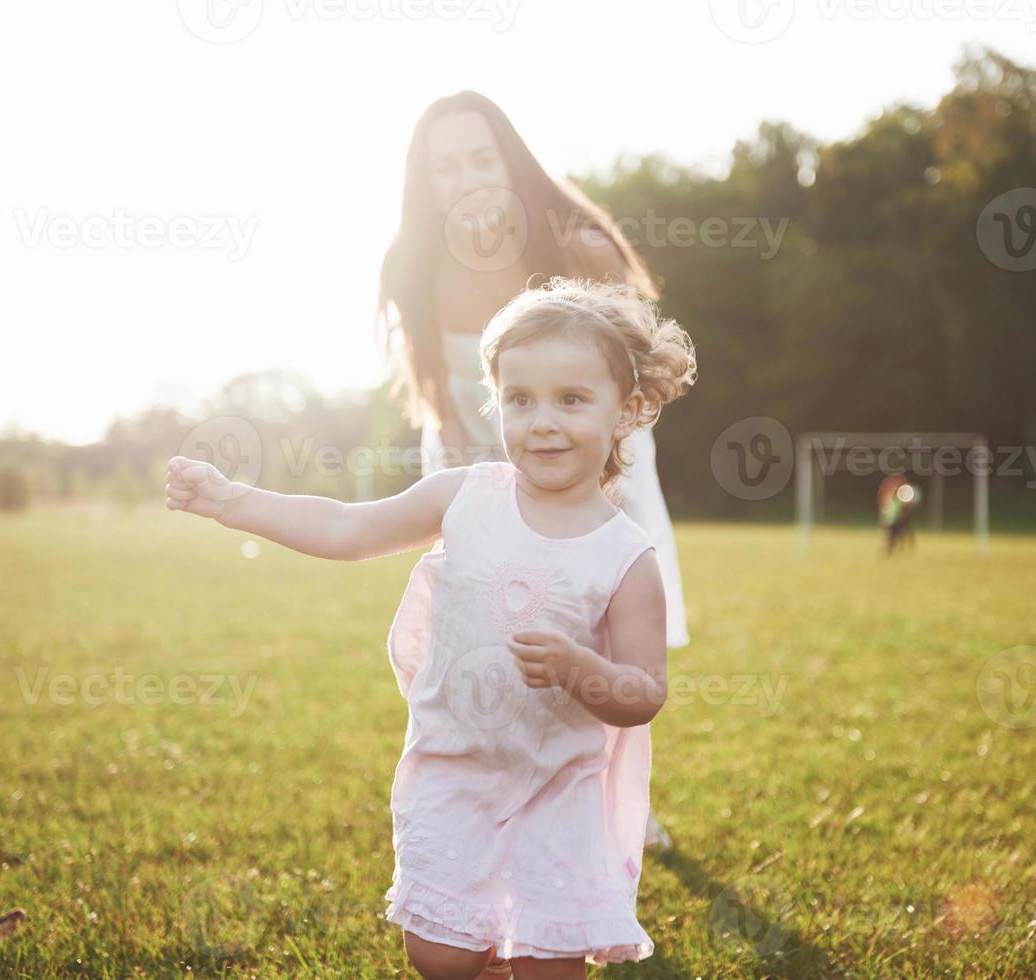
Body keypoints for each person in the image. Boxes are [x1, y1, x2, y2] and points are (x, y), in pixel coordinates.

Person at [165, 278, 697, 978]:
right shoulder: (466, 496)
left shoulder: (624, 556)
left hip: (558, 787)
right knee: (441, 956)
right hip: (455, 769)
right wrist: (233, 501)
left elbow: (643, 690)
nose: (541, 421)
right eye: (519, 399)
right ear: (496, 400)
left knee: (551, 966)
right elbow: (345, 527)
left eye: (571, 399)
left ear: (626, 409)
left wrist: (579, 668)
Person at [377, 92, 687, 877]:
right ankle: (483, 787)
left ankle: (617, 804)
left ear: (510, 160)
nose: (467, 179)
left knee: (596, 639)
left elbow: (636, 377)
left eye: (482, 159)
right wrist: (470, 503)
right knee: (490, 641)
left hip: (594, 468)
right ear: (424, 181)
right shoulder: (411, 267)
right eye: (445, 167)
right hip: (475, 466)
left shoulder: (576, 243)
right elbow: (436, 398)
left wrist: (583, 491)